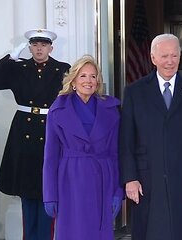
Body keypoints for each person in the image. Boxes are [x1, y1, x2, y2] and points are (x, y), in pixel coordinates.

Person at [119, 33, 182, 240]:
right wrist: (130, 178)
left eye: (174, 56)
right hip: (147, 178)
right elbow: (126, 140)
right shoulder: (135, 91)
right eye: (164, 56)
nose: (170, 61)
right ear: (153, 58)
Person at [0, 29, 70, 240]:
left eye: (43, 45)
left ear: (51, 47)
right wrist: (11, 57)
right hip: (23, 132)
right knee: (26, 191)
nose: (39, 48)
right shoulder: (19, 68)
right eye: (34, 45)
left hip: (51, 129)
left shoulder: (63, 69)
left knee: (48, 190)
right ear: (29, 47)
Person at [42, 55, 123, 239]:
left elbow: (115, 153)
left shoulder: (111, 109)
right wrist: (50, 194)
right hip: (69, 181)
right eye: (83, 76)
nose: (89, 81)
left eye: (93, 76)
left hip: (102, 180)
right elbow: (50, 156)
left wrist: (118, 190)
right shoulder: (58, 109)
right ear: (73, 81)